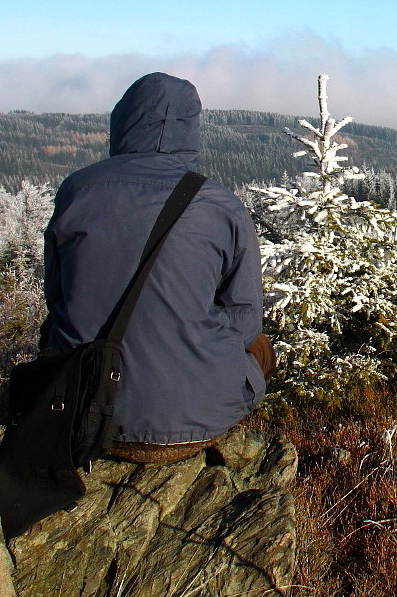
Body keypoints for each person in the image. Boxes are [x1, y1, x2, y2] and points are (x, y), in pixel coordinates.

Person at [40, 72, 274, 464]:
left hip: (82, 412)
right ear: (191, 130)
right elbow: (244, 319)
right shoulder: (219, 203)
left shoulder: (77, 189)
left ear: (123, 122)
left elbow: (57, 296)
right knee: (259, 346)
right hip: (195, 422)